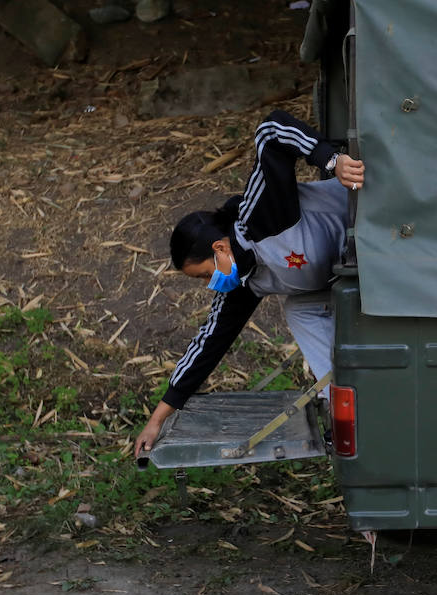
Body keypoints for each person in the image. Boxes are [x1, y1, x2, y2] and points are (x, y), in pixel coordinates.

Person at [133, 110, 365, 456]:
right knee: (299, 308)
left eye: (204, 274)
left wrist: (333, 160)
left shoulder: (260, 217)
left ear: (219, 248)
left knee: (299, 304)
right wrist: (158, 419)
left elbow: (272, 131)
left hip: (367, 220)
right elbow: (209, 343)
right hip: (348, 271)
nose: (210, 283)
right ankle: (348, 401)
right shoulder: (242, 284)